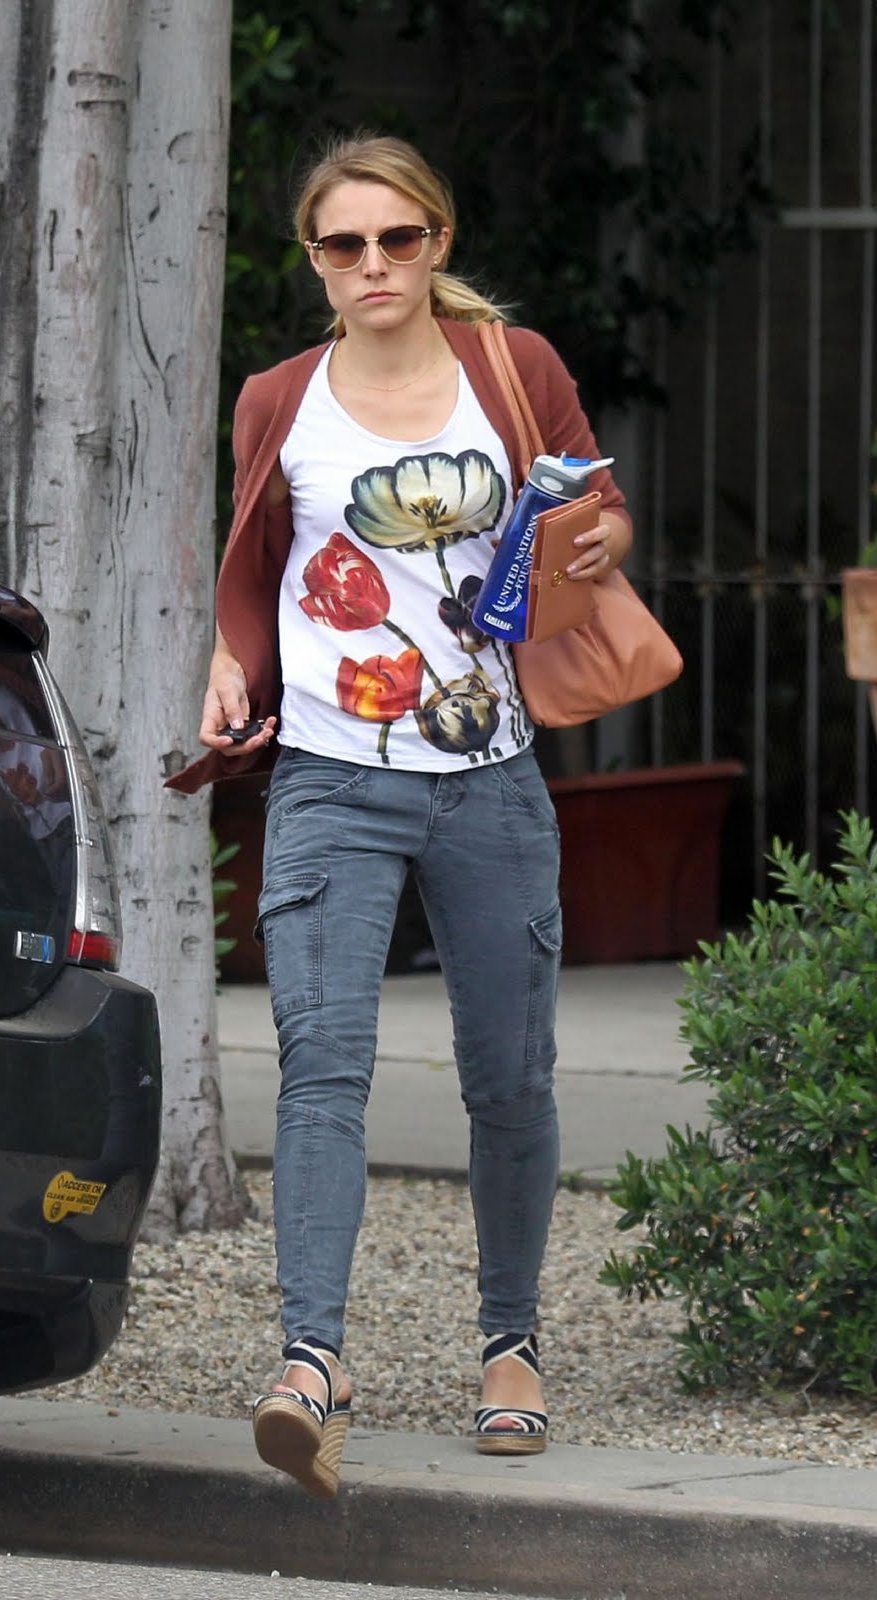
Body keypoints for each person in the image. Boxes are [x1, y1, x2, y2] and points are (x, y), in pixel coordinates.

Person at [169, 133, 632, 1498]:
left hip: (491, 778)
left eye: (398, 238)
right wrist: (229, 661)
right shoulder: (278, 399)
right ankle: (310, 1365)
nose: (373, 264)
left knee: (511, 1077)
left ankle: (512, 1348)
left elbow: (600, 515)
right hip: (330, 776)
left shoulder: (513, 369)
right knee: (320, 1070)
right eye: (344, 243)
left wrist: (595, 537)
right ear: (314, 261)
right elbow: (257, 561)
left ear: (437, 242)